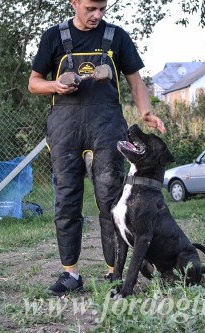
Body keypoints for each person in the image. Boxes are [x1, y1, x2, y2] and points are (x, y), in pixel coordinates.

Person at [28, 0, 165, 296]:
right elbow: (34, 83)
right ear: (74, 3)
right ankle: (71, 276)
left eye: (102, 8)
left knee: (109, 200)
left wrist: (145, 111)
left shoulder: (116, 37)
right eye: (90, 8)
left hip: (106, 128)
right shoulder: (54, 37)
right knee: (66, 201)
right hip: (65, 131)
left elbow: (135, 81)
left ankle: (113, 270)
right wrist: (56, 86)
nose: (97, 15)